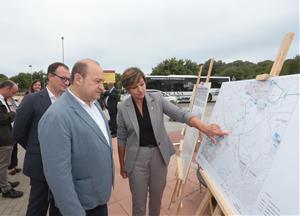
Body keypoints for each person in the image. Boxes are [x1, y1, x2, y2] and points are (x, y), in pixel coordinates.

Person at [117, 67, 228, 216]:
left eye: (142, 84)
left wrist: (205, 127)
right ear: (127, 89)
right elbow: (122, 138)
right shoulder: (123, 108)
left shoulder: (156, 98)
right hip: (136, 158)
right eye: (134, 87)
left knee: (156, 199)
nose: (140, 90)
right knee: (138, 202)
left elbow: (180, 114)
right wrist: (122, 164)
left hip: (159, 155)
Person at [38, 59, 114, 216]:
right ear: (78, 79)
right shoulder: (57, 116)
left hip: (98, 199)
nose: (102, 86)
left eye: (103, 81)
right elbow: (58, 175)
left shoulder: (95, 104)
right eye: (97, 81)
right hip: (79, 206)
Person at [13, 62, 70, 216]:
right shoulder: (32, 99)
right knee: (38, 207)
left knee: (59, 207)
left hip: (64, 166)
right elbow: (18, 132)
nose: (66, 82)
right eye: (63, 78)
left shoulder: (68, 101)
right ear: (50, 76)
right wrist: (36, 149)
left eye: (68, 79)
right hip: (40, 166)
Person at [0, 80, 23, 198]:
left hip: (6, 136)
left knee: (3, 164)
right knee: (3, 165)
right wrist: (13, 114)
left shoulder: (3, 100)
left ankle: (4, 182)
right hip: (3, 139)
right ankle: (5, 189)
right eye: (13, 92)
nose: (13, 95)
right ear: (7, 89)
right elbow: (2, 118)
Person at [7, 96, 22, 175]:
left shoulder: (13, 100)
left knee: (15, 148)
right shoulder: (3, 101)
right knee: (9, 149)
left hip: (14, 126)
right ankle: (10, 167)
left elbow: (18, 109)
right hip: (7, 128)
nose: (14, 93)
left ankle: (14, 165)